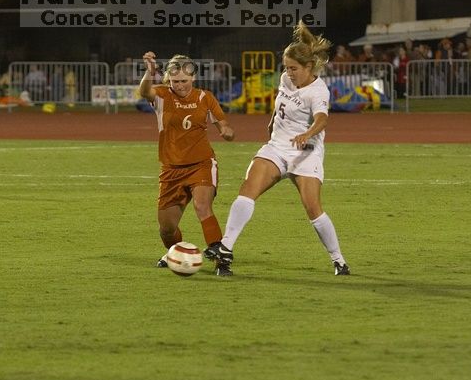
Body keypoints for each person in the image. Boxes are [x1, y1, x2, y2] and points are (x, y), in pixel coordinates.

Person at [204, 22, 350, 276]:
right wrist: (272, 120)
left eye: (294, 68)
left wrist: (307, 134)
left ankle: (339, 260)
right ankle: (225, 249)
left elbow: (322, 119)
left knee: (313, 208)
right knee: (247, 190)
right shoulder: (285, 79)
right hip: (277, 147)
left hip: (306, 153)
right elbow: (280, 101)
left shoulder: (318, 91)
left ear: (308, 67)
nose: (288, 72)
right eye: (286, 67)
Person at [139, 51, 235, 275]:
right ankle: (175, 252)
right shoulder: (162, 95)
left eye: (184, 81)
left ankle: (222, 261)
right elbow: (144, 91)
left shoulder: (205, 97)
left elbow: (223, 124)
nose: (180, 86)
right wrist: (150, 72)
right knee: (167, 228)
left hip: (201, 163)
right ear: (168, 80)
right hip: (171, 169)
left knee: (202, 206)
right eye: (175, 81)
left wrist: (226, 131)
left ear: (193, 78)